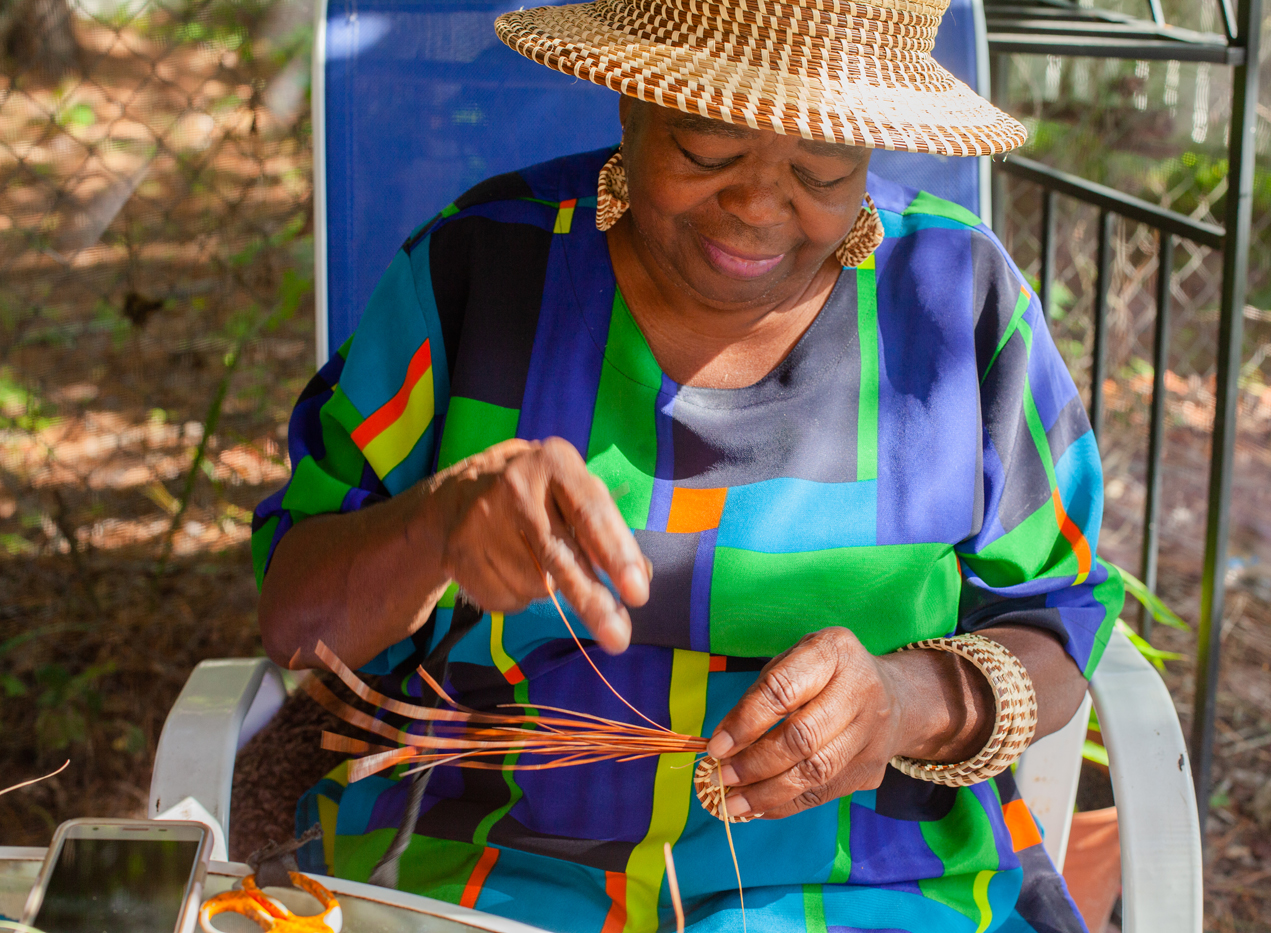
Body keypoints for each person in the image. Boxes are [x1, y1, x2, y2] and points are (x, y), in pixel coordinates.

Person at [252, 0, 1124, 928]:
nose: (756, 207)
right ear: (631, 99)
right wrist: (436, 526)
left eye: (822, 165)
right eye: (708, 146)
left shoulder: (957, 301)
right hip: (493, 858)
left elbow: (1055, 619)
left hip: (863, 881)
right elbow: (300, 621)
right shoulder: (479, 269)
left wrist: (908, 701)